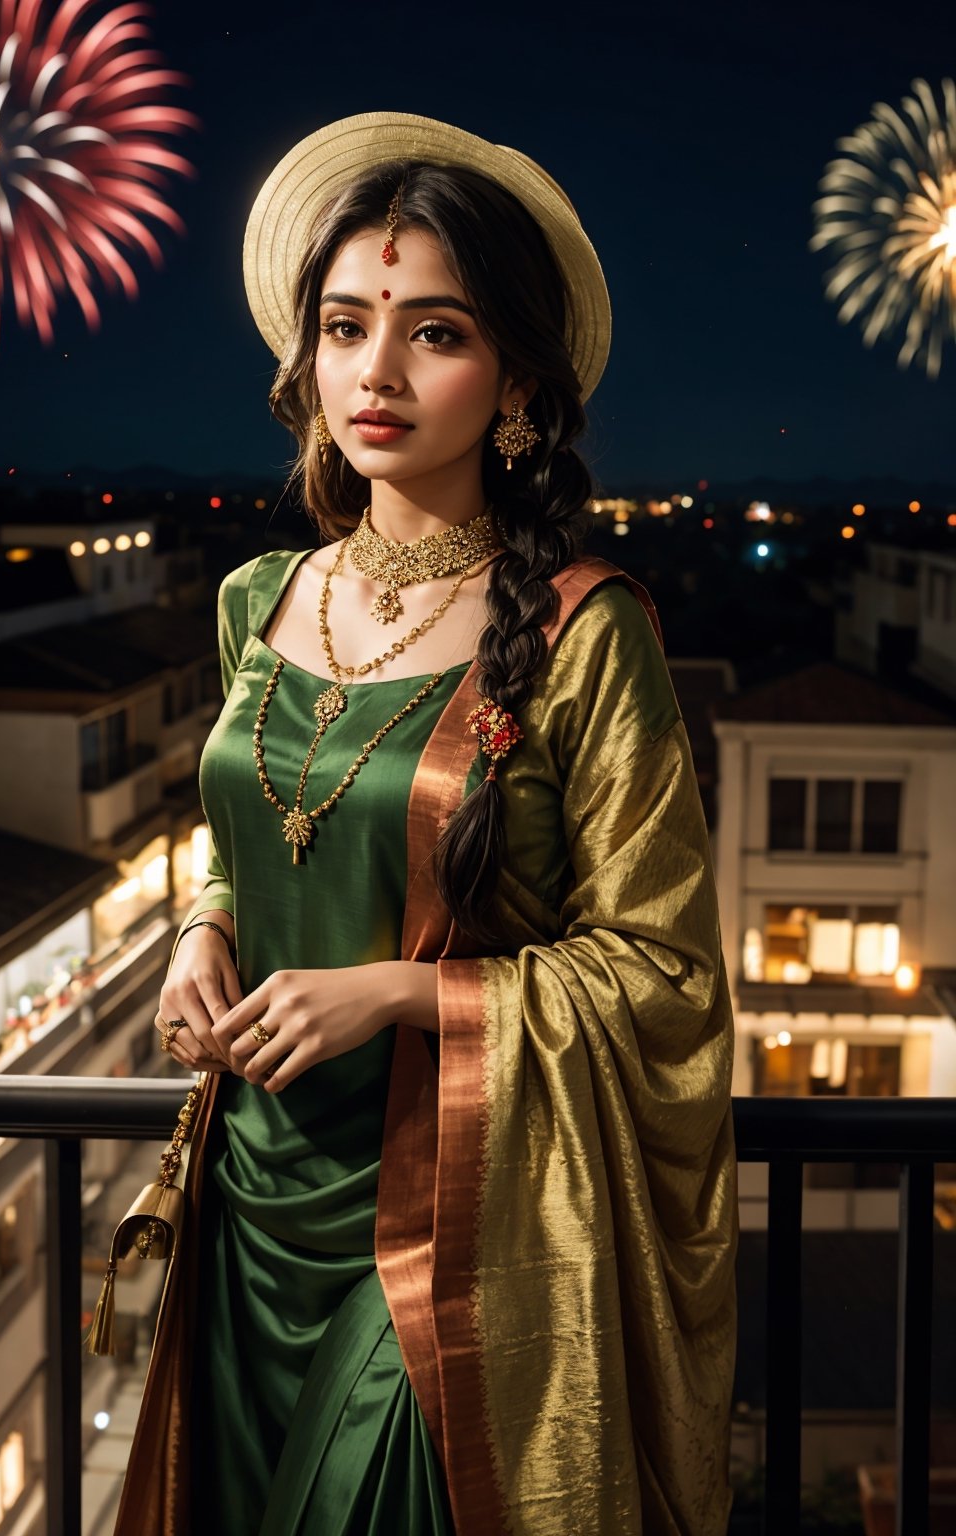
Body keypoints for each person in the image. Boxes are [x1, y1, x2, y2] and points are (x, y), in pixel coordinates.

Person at [115, 112, 738, 1536]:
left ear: (517, 378)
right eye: (345, 326)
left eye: (434, 333)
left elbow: (663, 976)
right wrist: (200, 933)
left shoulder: (585, 634)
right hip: (252, 1203)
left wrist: (401, 992)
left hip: (450, 1224)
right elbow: (251, 841)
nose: (375, 372)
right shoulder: (256, 605)